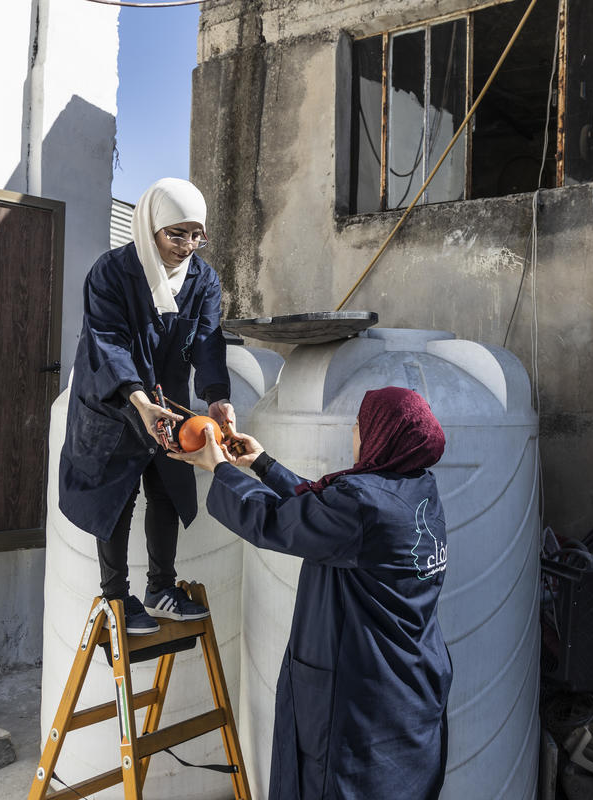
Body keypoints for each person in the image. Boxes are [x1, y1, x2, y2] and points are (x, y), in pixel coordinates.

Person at [172, 386, 452, 800]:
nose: (354, 434)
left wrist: (220, 468)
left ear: (380, 433)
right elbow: (328, 508)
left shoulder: (363, 505)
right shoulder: (417, 489)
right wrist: (263, 465)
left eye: (360, 425)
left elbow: (276, 521)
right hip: (410, 687)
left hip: (359, 699)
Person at [58, 177, 236, 635]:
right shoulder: (113, 271)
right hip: (115, 400)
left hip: (168, 401)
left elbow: (209, 344)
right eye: (177, 233)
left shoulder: (203, 279)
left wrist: (217, 398)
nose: (188, 245)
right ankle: (116, 599)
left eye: (197, 234)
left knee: (167, 488)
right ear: (151, 225)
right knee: (116, 495)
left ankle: (161, 588)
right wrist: (137, 399)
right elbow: (107, 341)